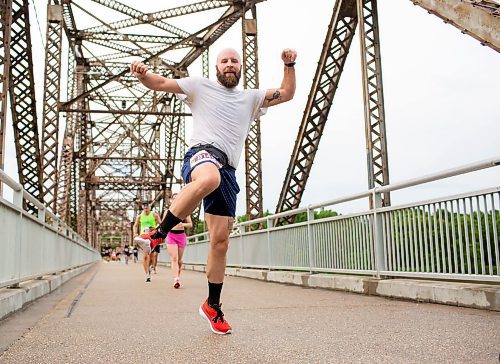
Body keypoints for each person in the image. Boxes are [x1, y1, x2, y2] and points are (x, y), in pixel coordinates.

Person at [131, 47, 297, 334]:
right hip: (202, 153)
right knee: (209, 179)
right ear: (216, 67)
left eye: (234, 61)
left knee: (220, 242)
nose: (229, 64)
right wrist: (142, 73)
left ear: (240, 67)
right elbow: (159, 83)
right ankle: (157, 235)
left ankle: (213, 306)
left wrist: (289, 64)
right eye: (224, 61)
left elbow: (288, 92)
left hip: (229, 169)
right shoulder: (199, 86)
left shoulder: (252, 98)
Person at [162, 193, 192, 289]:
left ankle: (178, 276)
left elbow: (190, 224)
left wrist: (183, 225)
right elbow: (163, 224)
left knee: (179, 260)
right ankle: (176, 279)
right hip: (171, 235)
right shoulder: (167, 212)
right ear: (171, 200)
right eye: (173, 198)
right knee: (174, 258)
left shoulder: (185, 211)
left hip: (181, 236)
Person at [132, 201, 161, 282]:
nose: (145, 207)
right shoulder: (139, 216)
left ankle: (151, 267)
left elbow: (161, 224)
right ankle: (147, 275)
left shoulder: (154, 215)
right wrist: (135, 233)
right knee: (145, 256)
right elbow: (135, 226)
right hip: (143, 237)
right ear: (142, 207)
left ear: (149, 206)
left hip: (153, 236)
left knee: (152, 257)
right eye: (144, 205)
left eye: (147, 205)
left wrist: (155, 228)